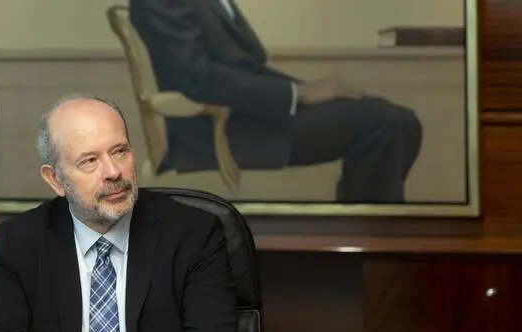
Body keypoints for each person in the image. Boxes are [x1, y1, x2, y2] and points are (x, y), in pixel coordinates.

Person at [0, 94, 238, 332]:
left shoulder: (193, 232)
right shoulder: (22, 240)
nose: (113, 172)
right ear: (55, 180)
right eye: (90, 161)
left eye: (120, 151)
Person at [128, 0, 423, 203]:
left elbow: (246, 66)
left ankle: (359, 228)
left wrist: (304, 91)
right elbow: (197, 79)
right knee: (381, 123)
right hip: (223, 129)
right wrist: (297, 94)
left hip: (255, 113)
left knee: (405, 122)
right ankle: (368, 252)